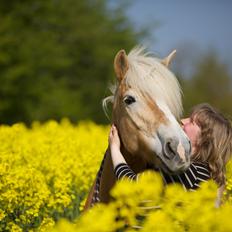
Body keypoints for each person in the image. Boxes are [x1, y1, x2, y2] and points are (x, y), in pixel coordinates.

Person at [109, 103, 232, 193]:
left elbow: (133, 186)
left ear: (204, 140)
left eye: (192, 122)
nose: (183, 121)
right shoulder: (204, 173)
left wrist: (115, 148)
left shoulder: (188, 172)